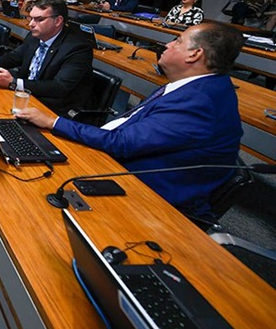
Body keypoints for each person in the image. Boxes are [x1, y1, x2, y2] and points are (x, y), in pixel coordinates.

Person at [16, 22, 244, 220]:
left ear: (194, 54)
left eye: (177, 41)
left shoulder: (200, 101)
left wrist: (54, 121)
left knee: (29, 186)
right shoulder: (196, 85)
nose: (167, 45)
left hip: (145, 194)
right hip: (117, 157)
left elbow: (123, 143)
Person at [0, 0, 93, 116]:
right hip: (26, 96)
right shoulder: (35, 36)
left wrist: (13, 83)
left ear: (58, 21)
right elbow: (16, 56)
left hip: (51, 108)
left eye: (39, 19)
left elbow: (59, 87)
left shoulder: (77, 48)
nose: (31, 24)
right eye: (31, 18)